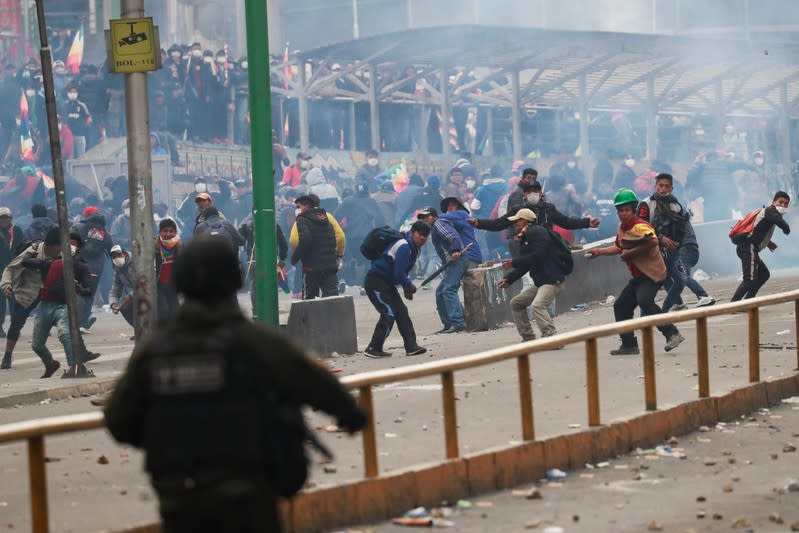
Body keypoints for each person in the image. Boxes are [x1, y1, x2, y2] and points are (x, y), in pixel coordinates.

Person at [104, 237, 366, 533]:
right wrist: (352, 416)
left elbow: (118, 419)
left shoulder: (155, 350)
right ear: (236, 279)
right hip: (248, 497)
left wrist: (170, 437)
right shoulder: (255, 343)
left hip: (180, 499)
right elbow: (319, 386)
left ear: (179, 282)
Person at [586, 188, 685, 355]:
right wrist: (599, 252)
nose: (623, 214)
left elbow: (652, 242)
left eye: (626, 210)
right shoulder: (622, 228)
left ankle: (672, 333)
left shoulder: (640, 226)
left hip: (652, 273)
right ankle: (629, 344)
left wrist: (630, 254)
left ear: (633, 210)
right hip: (639, 276)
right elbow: (619, 247)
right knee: (621, 306)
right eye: (620, 211)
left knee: (645, 301)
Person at [24, 231, 94, 377]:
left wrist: (80, 289)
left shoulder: (81, 267)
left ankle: (74, 366)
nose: (70, 247)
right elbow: (27, 262)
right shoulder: (49, 262)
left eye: (74, 245)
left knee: (65, 334)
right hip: (45, 305)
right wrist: (32, 249)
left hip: (64, 305)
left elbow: (89, 289)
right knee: (37, 344)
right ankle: (50, 363)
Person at [497, 209, 568, 343]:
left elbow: (537, 256)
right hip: (541, 282)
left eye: (517, 221)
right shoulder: (526, 238)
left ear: (525, 221)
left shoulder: (537, 232)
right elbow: (526, 264)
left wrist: (514, 262)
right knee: (517, 303)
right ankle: (528, 337)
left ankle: (552, 337)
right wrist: (509, 279)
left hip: (552, 280)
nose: (515, 225)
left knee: (537, 305)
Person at [362, 221, 430, 358]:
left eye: (426, 236)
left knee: (401, 312)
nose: (423, 238)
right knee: (388, 313)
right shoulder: (404, 246)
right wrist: (409, 286)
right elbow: (399, 274)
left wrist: (406, 288)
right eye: (420, 234)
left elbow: (401, 272)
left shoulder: (413, 248)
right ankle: (373, 347)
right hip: (376, 282)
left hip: (387, 284)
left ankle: (411, 347)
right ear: (413, 233)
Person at [636, 173, 696, 312]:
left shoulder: (676, 206)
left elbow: (682, 228)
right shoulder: (646, 204)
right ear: (655, 186)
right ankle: (645, 319)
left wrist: (677, 243)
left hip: (671, 251)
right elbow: (640, 228)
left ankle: (665, 309)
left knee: (681, 280)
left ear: (671, 188)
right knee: (650, 285)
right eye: (660, 186)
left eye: (666, 186)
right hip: (651, 250)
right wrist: (660, 238)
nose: (663, 189)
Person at [432, 197, 483, 334]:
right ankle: (451, 323)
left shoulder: (462, 215)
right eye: (448, 206)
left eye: (453, 205)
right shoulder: (448, 221)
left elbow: (446, 220)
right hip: (460, 257)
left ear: (459, 206)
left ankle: (458, 322)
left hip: (469, 255)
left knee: (449, 289)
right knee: (441, 291)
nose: (450, 208)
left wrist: (434, 218)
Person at [730, 191, 791, 301]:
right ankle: (733, 305)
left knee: (764, 274)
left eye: (786, 204)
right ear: (773, 202)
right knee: (749, 279)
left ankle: (749, 300)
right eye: (780, 202)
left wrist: (768, 243)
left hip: (749, 247)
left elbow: (757, 230)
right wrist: (786, 228)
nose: (783, 205)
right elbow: (779, 220)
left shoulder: (768, 213)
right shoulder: (770, 210)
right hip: (748, 247)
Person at [71, 205, 114, 332]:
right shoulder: (105, 233)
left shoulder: (78, 227)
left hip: (79, 266)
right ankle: (84, 321)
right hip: (96, 269)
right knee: (89, 295)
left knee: (77, 293)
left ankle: (79, 321)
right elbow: (111, 250)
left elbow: (69, 243)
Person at [290, 194, 341, 299]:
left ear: (307, 206)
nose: (297, 210)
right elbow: (339, 236)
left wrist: (295, 257)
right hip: (330, 264)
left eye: (299, 207)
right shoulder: (326, 218)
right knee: (332, 297)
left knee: (310, 298)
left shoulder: (302, 219)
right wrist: (338, 255)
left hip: (312, 265)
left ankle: (313, 316)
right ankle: (332, 315)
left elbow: (301, 239)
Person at [0, 207, 24, 338]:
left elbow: (21, 248)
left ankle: (15, 327)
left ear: (10, 218)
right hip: (0, 271)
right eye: (1, 218)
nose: (4, 220)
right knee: (0, 301)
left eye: (6, 218)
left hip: (15, 270)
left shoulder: (17, 231)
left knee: (15, 301)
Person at [155, 218, 182, 321]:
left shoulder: (179, 245)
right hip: (159, 284)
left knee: (175, 311)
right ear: (160, 232)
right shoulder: (154, 245)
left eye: (171, 231)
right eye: (165, 231)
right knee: (163, 311)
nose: (168, 234)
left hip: (173, 284)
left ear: (175, 232)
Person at [109, 245, 135, 328]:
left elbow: (144, 282)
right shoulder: (118, 270)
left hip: (151, 291)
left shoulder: (135, 262)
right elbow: (115, 291)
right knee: (125, 307)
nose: (117, 258)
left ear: (125, 254)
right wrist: (113, 304)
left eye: (119, 255)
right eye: (114, 256)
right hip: (136, 294)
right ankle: (139, 330)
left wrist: (131, 296)